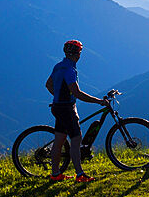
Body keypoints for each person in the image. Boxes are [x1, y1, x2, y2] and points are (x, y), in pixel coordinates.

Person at [45, 39, 106, 183]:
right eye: (79, 52)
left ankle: (55, 174)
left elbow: (48, 85)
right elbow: (77, 93)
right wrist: (99, 101)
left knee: (59, 141)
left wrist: (58, 97)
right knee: (76, 139)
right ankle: (80, 175)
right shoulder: (70, 70)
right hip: (67, 108)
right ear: (77, 54)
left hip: (57, 107)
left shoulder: (58, 66)